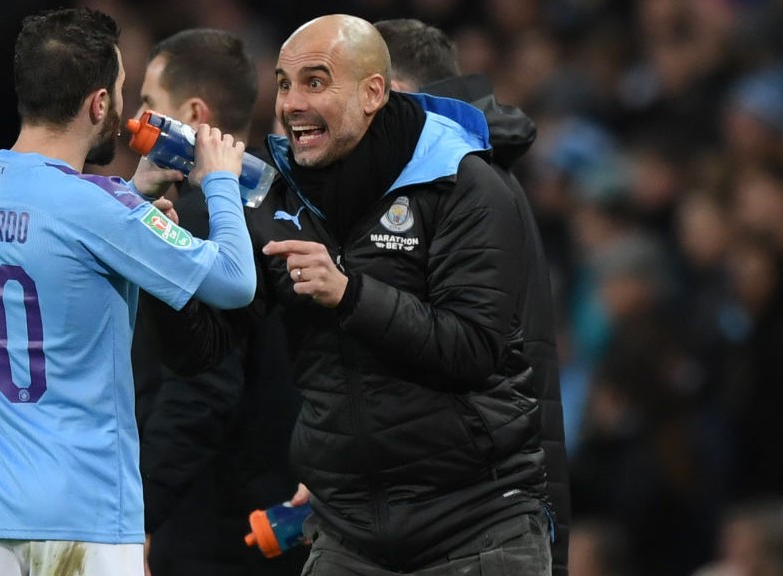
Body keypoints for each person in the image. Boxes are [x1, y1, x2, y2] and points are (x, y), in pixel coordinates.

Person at [153, 14, 555, 575]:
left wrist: (349, 295)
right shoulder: (277, 194)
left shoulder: (462, 183)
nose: (291, 103)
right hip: (347, 533)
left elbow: (475, 347)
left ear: (373, 93)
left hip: (474, 526)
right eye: (285, 83)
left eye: (315, 82)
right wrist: (160, 264)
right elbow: (202, 352)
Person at [0, 8, 255, 576]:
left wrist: (131, 192)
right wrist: (222, 178)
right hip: (84, 517)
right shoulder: (102, 209)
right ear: (99, 103)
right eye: (124, 93)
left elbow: (49, 242)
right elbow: (235, 280)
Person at [374, 17, 570, 576]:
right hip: (456, 512)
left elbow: (480, 361)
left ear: (391, 91)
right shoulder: (456, 174)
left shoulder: (457, 184)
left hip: (472, 520)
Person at [130, 28, 307, 576]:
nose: (135, 117)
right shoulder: (281, 204)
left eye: (148, 104)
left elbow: (200, 389)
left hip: (209, 524)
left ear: (193, 115)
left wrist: (141, 514)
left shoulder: (205, 225)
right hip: (261, 510)